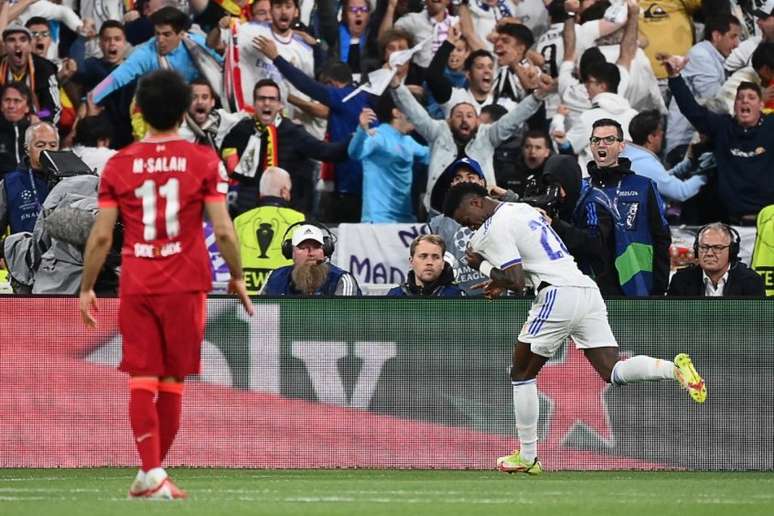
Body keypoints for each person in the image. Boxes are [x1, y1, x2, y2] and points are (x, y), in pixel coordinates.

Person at [441, 181, 706, 475]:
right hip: (584, 288)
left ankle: (528, 456)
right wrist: (500, 280)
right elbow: (531, 264)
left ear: (476, 202)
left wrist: (482, 266)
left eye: (463, 217)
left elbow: (514, 280)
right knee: (612, 371)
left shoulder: (491, 229)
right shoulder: (522, 209)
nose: (466, 225)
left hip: (557, 294)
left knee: (521, 373)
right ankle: (675, 369)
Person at [78, 69, 254, 500]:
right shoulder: (203, 161)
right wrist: (236, 275)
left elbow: (102, 235)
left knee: (142, 377)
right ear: (184, 110)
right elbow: (225, 231)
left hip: (137, 279)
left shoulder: (119, 163)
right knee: (173, 380)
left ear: (137, 110)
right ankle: (153, 472)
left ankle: (150, 472)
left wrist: (86, 287)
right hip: (185, 282)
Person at [664, 54, 774, 225]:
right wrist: (675, 78)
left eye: (751, 97)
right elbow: (691, 110)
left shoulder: (771, 126)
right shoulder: (722, 127)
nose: (745, 101)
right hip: (730, 222)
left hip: (769, 224)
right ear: (735, 105)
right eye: (740, 98)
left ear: (761, 105)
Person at [221, 78, 349, 217]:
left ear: (280, 104)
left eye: (272, 99)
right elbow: (229, 167)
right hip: (248, 211)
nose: (266, 103)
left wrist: (355, 138)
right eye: (261, 98)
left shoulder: (293, 131)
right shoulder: (240, 131)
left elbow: (325, 152)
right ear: (254, 103)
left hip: (286, 212)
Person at [583, 118, 671, 296]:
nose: (602, 145)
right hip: (591, 285)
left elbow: (661, 237)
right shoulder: (581, 189)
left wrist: (660, 287)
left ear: (621, 146)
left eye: (609, 139)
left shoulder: (643, 186)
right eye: (596, 140)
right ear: (591, 146)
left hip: (636, 284)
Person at [665, 15, 742, 154]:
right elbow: (716, 101)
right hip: (684, 143)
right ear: (717, 35)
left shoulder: (722, 58)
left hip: (703, 139)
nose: (737, 44)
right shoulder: (700, 55)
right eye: (733, 37)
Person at [348, 100, 429, 223]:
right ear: (396, 112)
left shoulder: (408, 141)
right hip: (378, 219)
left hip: (405, 218)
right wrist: (361, 130)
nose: (415, 114)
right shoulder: (378, 136)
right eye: (411, 109)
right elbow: (355, 153)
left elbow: (434, 156)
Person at [233, 166, 305, 294]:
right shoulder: (299, 220)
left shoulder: (239, 221)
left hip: (244, 298)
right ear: (284, 192)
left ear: (261, 193)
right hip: (280, 295)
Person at [623, 109, 708, 203]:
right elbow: (682, 192)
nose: (663, 135)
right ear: (651, 138)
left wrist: (686, 165)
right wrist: (705, 173)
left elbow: (661, 178)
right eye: (660, 132)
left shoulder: (630, 153)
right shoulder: (647, 164)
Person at [260, 222, 361, 295]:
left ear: (326, 250)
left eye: (316, 247)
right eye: (303, 248)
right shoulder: (274, 277)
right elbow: (260, 318)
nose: (311, 253)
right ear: (291, 252)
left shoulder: (341, 280)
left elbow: (344, 323)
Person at [668, 223, 766, 296]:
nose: (709, 253)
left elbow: (757, 323)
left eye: (717, 248)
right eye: (704, 247)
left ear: (731, 251)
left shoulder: (751, 281)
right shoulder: (680, 280)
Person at [0, 121, 59, 241]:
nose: (47, 151)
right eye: (40, 145)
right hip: (24, 256)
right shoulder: (10, 183)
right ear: (27, 149)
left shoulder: (71, 180)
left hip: (63, 257)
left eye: (53, 145)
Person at [0, 23, 61, 123]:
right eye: (11, 40)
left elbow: (51, 109)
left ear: (29, 45)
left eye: (23, 40)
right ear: (4, 46)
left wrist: (37, 116)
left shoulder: (45, 68)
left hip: (34, 123)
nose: (17, 44)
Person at [387, 234, 464, 297]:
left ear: (443, 263)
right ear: (411, 262)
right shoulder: (395, 296)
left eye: (435, 257)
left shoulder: (456, 295)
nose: (429, 262)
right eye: (423, 256)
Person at [0, 82, 33, 178]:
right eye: (7, 100)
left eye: (17, 101)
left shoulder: (36, 133)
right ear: (1, 106)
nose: (11, 106)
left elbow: (47, 112)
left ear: (27, 107)